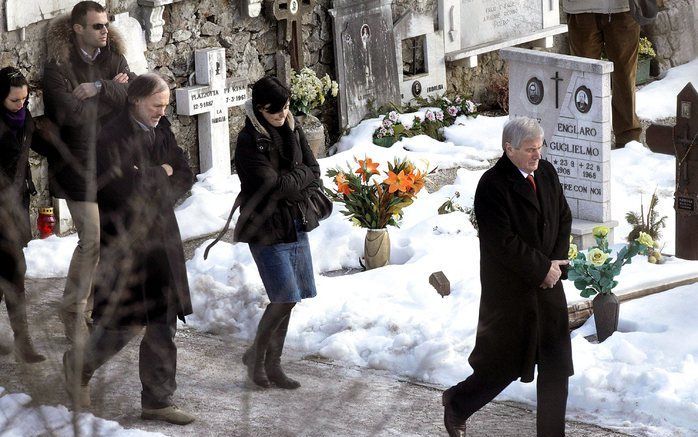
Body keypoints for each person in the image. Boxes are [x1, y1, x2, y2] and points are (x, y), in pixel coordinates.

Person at [63, 73, 195, 425]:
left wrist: (151, 175)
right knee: (123, 323)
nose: (162, 112)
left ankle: (157, 400)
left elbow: (185, 172)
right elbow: (120, 192)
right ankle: (79, 366)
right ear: (136, 100)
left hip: (162, 240)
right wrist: (159, 174)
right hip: (127, 243)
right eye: (157, 105)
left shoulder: (162, 127)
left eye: (165, 105)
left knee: (163, 323)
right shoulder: (109, 136)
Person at [442, 117, 573, 437]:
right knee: (504, 364)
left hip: (549, 285)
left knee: (556, 366)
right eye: (530, 150)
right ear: (509, 149)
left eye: (540, 148)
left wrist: (554, 265)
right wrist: (541, 269)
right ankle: (458, 403)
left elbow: (563, 216)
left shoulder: (547, 172)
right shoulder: (492, 185)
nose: (537, 156)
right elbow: (502, 243)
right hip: (512, 293)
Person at [42, 1, 134, 344]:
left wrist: (99, 88)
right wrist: (114, 91)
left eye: (106, 24)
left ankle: (97, 310)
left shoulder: (113, 57)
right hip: (76, 165)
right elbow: (72, 118)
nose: (105, 31)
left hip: (111, 163)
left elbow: (135, 92)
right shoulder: (58, 68)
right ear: (78, 28)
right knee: (91, 240)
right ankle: (72, 310)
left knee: (111, 238)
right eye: (97, 26)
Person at [234, 76, 322, 389]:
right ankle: (258, 358)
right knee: (283, 297)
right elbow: (271, 185)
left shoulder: (294, 129)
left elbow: (315, 172)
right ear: (259, 108)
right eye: (274, 111)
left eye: (285, 107)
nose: (282, 115)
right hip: (265, 228)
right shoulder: (249, 141)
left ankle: (272, 363)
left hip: (294, 222)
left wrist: (294, 179)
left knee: (291, 298)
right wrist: (298, 178)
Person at [0, 67, 45, 363]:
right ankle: (23, 341)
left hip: (16, 203)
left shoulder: (23, 116)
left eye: (24, 99)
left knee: (15, 271)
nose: (21, 105)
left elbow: (34, 143)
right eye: (15, 101)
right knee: (12, 270)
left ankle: (22, 341)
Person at [563, 0, 642, 147]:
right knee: (584, 78)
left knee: (625, 76)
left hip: (622, 8)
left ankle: (628, 139)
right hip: (581, 9)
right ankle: (585, 135)